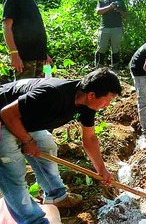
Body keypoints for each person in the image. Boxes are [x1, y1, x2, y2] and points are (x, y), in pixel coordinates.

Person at [0, 68, 122, 223]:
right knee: (12, 170)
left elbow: (89, 138)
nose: (107, 105)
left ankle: (55, 196)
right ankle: (32, 220)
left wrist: (101, 170)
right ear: (92, 95)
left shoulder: (87, 105)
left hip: (24, 120)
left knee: (47, 146)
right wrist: (27, 141)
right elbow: (7, 114)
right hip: (4, 118)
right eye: (107, 100)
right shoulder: (53, 94)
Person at [2, 0, 53, 79]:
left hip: (39, 58)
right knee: (23, 93)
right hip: (24, 59)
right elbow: (7, 27)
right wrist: (14, 54)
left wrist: (44, 54)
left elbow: (34, 29)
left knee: (39, 92)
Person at [95, 0, 127, 69]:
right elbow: (98, 12)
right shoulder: (102, 1)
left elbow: (125, 15)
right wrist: (109, 7)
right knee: (101, 48)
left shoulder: (120, 2)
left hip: (117, 28)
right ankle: (98, 68)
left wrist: (119, 10)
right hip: (104, 28)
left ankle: (115, 68)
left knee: (115, 49)